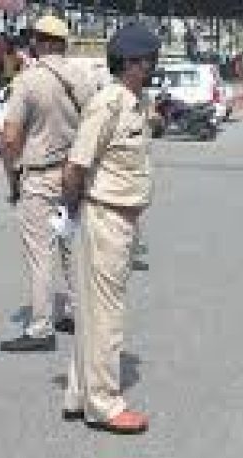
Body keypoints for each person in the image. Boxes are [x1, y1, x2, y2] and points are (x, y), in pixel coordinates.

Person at [60, 23, 161, 435]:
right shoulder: (109, 103)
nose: (153, 67)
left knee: (92, 311)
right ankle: (103, 404)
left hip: (119, 217)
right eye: (149, 61)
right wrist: (74, 213)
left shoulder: (135, 101)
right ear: (133, 63)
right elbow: (76, 166)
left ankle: (79, 393)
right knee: (105, 316)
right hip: (104, 216)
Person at [0, 16, 96, 353]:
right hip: (74, 174)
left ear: (38, 42)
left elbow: (10, 137)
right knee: (71, 247)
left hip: (39, 175)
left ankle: (41, 328)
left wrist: (11, 174)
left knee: (40, 254)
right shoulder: (83, 80)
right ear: (64, 43)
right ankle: (74, 312)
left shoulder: (28, 81)